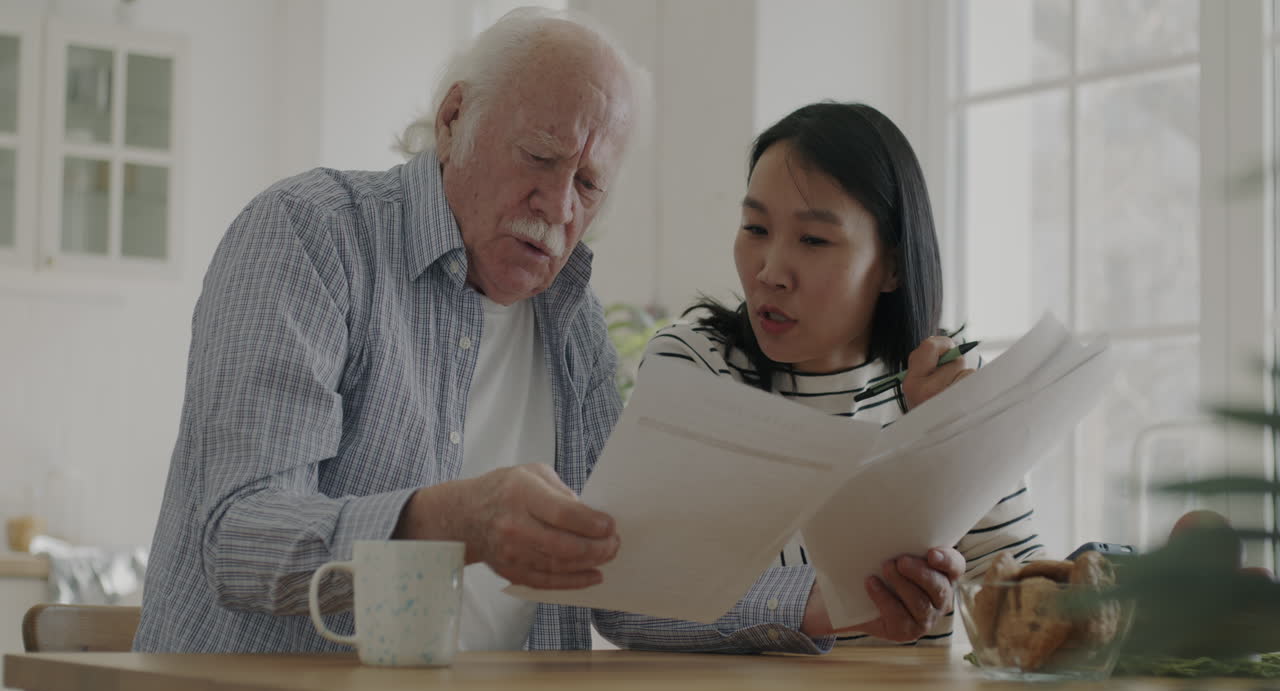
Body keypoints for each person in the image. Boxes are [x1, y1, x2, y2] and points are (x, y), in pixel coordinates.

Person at [134, 7, 643, 653]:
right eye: (540, 157)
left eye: (590, 183)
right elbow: (244, 538)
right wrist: (457, 523)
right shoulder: (312, 233)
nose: (560, 205)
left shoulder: (574, 323)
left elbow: (624, 591)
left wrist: (811, 598)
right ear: (455, 119)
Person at [595, 102, 1045, 652]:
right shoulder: (697, 368)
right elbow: (626, 598)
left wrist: (962, 435)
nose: (769, 271)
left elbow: (1028, 607)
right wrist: (821, 605)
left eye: (813, 240)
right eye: (755, 228)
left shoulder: (942, 387)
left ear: (893, 266)